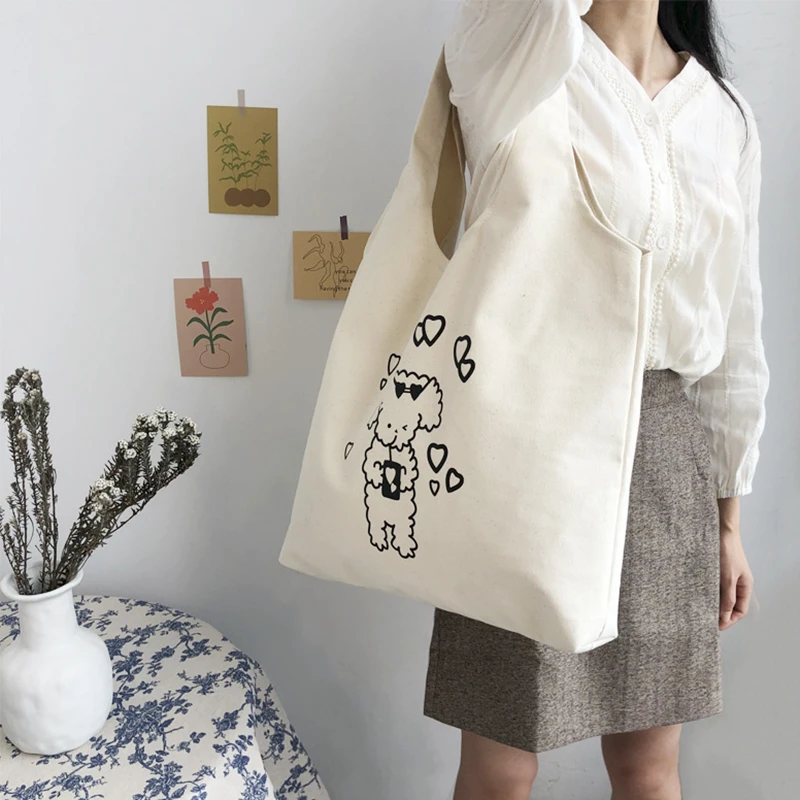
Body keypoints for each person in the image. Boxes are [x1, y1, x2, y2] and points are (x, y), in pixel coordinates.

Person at [422, 2, 770, 798]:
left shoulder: (725, 118)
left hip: (665, 455)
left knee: (649, 772)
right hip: (524, 443)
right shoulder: (515, 54)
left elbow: (737, 330)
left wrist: (728, 522)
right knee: (501, 770)